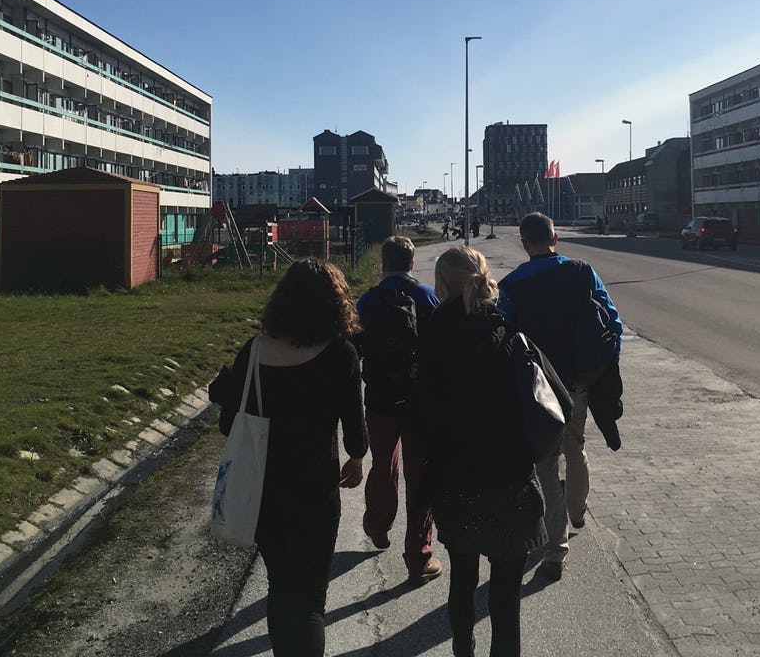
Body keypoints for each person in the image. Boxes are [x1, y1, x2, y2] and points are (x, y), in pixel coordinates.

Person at [208, 258, 368, 657]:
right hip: (315, 487)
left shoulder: (256, 350)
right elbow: (354, 424)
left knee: (280, 586)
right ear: (336, 304)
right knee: (312, 597)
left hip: (264, 488)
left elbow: (226, 415)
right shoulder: (340, 354)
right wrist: (356, 458)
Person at [415, 246, 548, 657]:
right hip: (510, 480)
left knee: (462, 583)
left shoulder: (433, 338)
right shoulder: (510, 332)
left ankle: (463, 651)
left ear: (442, 285)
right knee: (506, 598)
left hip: (456, 483)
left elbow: (424, 417)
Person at [497, 212, 623, 583]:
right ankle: (578, 511)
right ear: (555, 238)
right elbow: (612, 322)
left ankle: (555, 549)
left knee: (546, 464)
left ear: (525, 243)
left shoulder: (512, 285)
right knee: (575, 445)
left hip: (537, 387)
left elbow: (503, 337)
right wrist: (603, 369)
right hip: (577, 381)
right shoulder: (582, 272)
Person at [354, 236, 441, 582]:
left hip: (379, 397)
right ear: (411, 262)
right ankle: (419, 558)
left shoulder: (367, 300)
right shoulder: (427, 295)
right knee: (419, 476)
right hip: (419, 401)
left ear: (383, 263)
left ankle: (378, 522)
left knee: (383, 462)